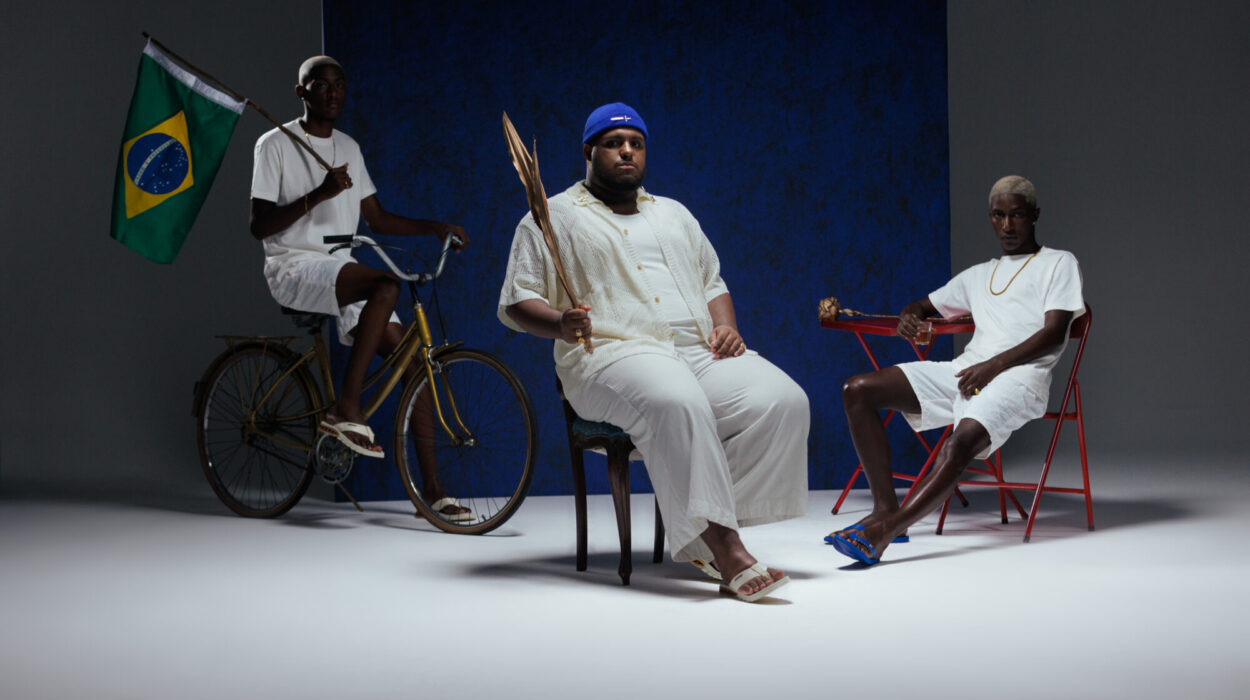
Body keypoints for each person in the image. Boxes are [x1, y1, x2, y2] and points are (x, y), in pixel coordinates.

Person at [498, 103, 810, 602]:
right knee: (676, 400)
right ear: (589, 151)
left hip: (697, 350)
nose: (627, 152)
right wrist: (559, 322)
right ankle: (726, 548)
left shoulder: (673, 213)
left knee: (782, 401)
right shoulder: (551, 217)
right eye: (613, 143)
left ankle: (703, 530)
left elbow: (712, 281)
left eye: (636, 144)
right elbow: (518, 299)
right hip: (613, 354)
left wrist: (726, 326)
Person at [249, 55, 470, 519]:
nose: (332, 92)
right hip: (293, 266)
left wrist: (435, 227)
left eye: (339, 84)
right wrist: (319, 194)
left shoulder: (349, 146)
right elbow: (259, 226)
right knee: (386, 284)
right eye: (320, 84)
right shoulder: (275, 144)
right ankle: (345, 409)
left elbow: (377, 218)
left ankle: (432, 494)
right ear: (302, 92)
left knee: (416, 368)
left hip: (340, 270)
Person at [826, 175, 1084, 565]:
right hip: (966, 372)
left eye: (1016, 215)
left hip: (1020, 378)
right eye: (998, 215)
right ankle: (884, 511)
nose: (1007, 225)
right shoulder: (980, 274)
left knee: (957, 445)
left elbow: (1053, 334)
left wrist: (993, 366)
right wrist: (910, 317)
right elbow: (921, 305)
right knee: (857, 389)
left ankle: (883, 533)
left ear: (1034, 215)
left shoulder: (1058, 263)